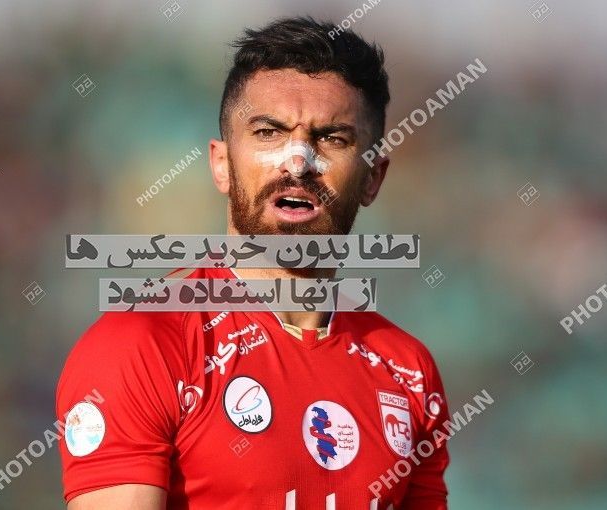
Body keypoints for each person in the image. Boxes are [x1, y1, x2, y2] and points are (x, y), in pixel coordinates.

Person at [57, 16, 450, 509]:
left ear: (373, 178)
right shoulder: (141, 345)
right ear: (222, 164)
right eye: (268, 132)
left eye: (332, 138)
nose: (298, 162)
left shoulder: (409, 371)